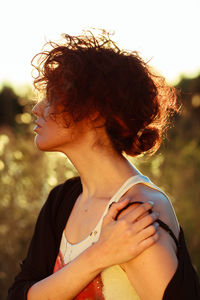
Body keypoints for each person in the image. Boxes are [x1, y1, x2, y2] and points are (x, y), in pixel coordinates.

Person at [7, 30, 200, 300]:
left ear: (93, 111)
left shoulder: (137, 218)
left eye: (51, 97)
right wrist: (98, 255)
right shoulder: (62, 201)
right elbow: (20, 294)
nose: (37, 109)